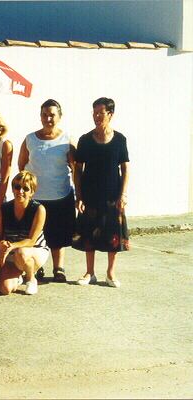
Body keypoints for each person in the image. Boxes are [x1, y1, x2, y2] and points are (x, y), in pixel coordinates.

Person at [73, 97, 130, 288]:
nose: (97, 116)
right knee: (89, 234)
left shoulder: (120, 140)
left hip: (113, 194)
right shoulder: (85, 140)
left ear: (110, 114)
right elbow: (77, 170)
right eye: (94, 112)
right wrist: (78, 196)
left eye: (101, 113)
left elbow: (125, 169)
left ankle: (110, 273)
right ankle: (90, 273)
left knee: (112, 234)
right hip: (90, 194)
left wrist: (123, 194)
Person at [18, 99, 76, 283]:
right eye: (45, 114)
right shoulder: (30, 139)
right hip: (35, 198)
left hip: (61, 195)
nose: (48, 118)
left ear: (59, 116)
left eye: (52, 115)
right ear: (40, 116)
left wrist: (80, 195)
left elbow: (76, 169)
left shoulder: (67, 140)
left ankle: (59, 268)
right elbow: (22, 166)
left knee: (58, 236)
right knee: (35, 235)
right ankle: (37, 266)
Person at [0, 171, 49, 296]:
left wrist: (11, 246)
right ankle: (19, 275)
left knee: (22, 252)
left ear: (32, 192)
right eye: (17, 187)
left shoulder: (38, 209)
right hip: (12, 252)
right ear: (13, 189)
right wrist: (1, 245)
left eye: (25, 188)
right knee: (5, 289)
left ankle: (31, 279)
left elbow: (31, 241)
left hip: (34, 250)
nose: (20, 191)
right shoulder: (4, 209)